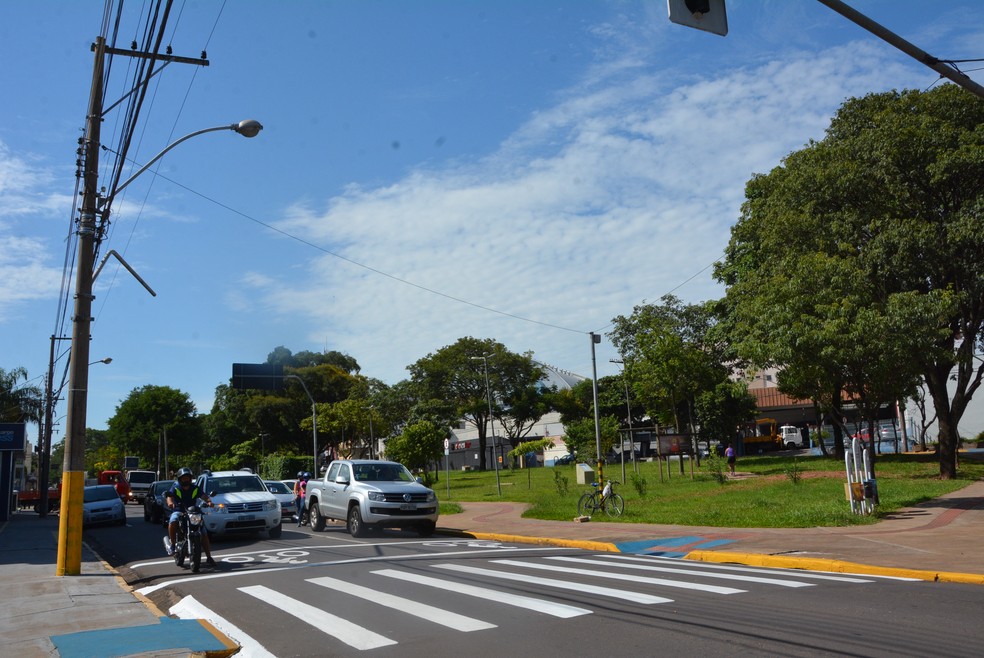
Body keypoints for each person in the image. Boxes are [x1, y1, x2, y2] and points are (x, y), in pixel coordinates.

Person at [166, 467, 216, 567]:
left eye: (187, 478)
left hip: (193, 511)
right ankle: (172, 545)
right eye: (184, 478)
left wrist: (209, 502)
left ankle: (209, 557)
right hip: (179, 511)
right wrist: (170, 503)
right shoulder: (176, 487)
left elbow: (204, 496)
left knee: (203, 532)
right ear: (180, 479)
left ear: (190, 478)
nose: (186, 480)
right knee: (173, 521)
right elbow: (169, 496)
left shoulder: (195, 488)